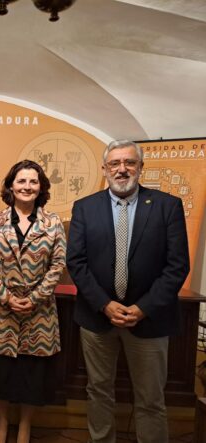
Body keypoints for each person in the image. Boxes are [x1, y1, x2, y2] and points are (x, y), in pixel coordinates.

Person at [67, 140, 190, 443]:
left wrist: (143, 308)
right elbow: (76, 262)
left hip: (149, 321)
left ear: (140, 167)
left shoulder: (167, 206)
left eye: (129, 163)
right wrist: (104, 304)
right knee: (98, 392)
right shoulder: (85, 207)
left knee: (150, 398)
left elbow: (177, 266)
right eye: (115, 164)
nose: (122, 169)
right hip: (97, 319)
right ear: (104, 169)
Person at [0, 160, 66, 443]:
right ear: (10, 186)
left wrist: (35, 298)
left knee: (31, 377)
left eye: (33, 182)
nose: (27, 187)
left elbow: (58, 265)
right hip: (0, 312)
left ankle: (25, 427)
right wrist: (6, 298)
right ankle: (1, 424)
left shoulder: (53, 223)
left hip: (38, 314)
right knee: (0, 376)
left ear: (41, 187)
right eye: (21, 181)